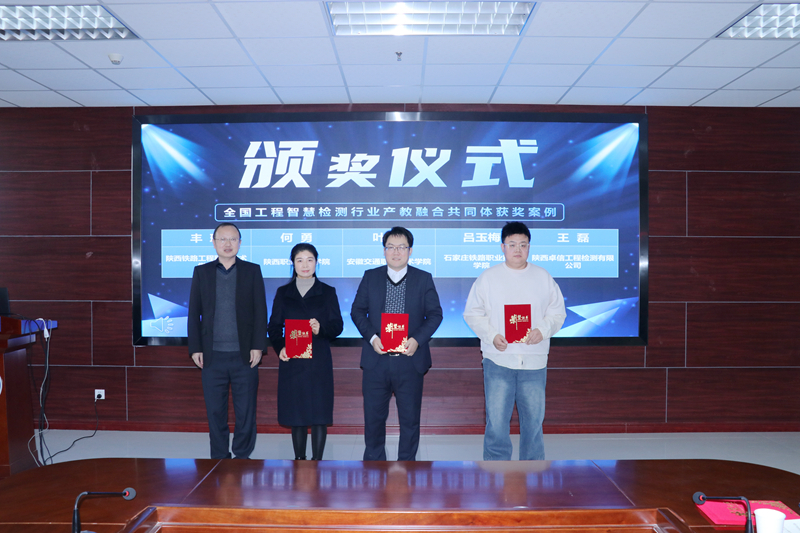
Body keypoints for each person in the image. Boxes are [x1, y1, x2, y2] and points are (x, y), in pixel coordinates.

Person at [463, 221, 566, 461]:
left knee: (533, 423)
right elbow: (472, 313)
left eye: (523, 244)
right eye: (512, 244)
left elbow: (557, 313)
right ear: (502, 247)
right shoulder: (488, 278)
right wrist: (492, 336)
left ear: (529, 246)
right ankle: (496, 471)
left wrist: (542, 330)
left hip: (534, 360)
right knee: (497, 423)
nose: (517, 249)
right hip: (498, 359)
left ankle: (533, 471)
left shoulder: (543, 277)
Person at [351, 227, 443, 461]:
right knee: (373, 419)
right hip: (376, 360)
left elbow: (435, 315)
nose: (396, 252)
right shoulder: (371, 276)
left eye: (401, 247)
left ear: (410, 251)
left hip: (410, 361)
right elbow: (357, 311)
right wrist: (373, 338)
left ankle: (407, 468)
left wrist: (417, 340)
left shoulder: (423, 278)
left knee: (410, 420)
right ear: (384, 251)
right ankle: (374, 468)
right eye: (390, 247)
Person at [188, 222, 268, 459]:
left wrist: (258, 346)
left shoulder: (252, 271)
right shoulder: (202, 272)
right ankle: (219, 457)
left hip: (245, 356)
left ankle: (242, 456)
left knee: (246, 412)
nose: (227, 244)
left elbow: (260, 311)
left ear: (240, 243)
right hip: (212, 356)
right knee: (215, 412)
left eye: (232, 239)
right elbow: (194, 313)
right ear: (214, 243)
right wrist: (195, 348)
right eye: (222, 239)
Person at [268, 243, 343, 460]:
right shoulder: (283, 293)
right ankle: (299, 460)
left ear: (317, 262)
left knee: (319, 414)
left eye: (310, 259)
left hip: (318, 361)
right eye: (299, 260)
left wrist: (321, 329)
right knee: (296, 414)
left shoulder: (327, 292)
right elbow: (273, 326)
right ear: (292, 263)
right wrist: (280, 347)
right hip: (293, 360)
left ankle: (317, 461)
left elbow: (337, 325)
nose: (305, 265)